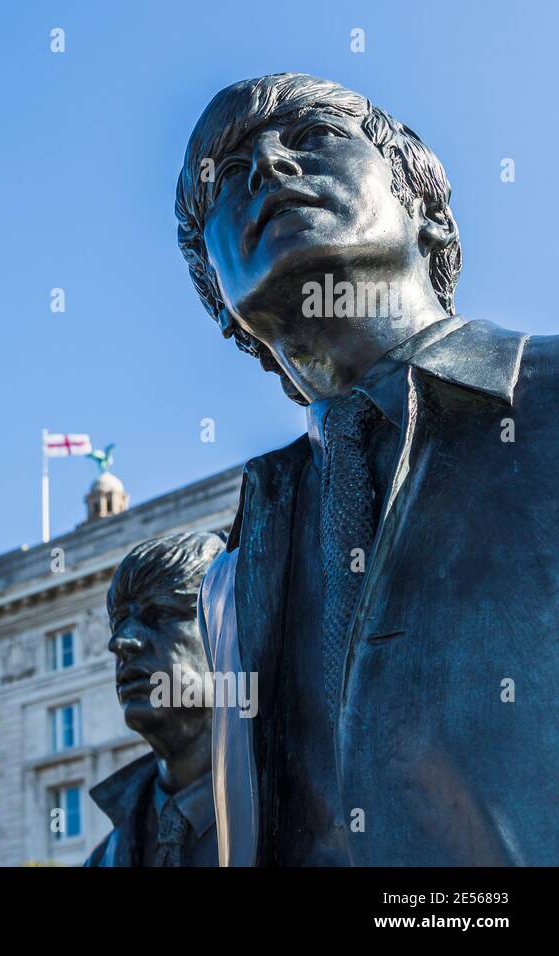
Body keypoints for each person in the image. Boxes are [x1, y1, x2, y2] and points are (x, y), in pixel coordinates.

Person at [176, 72, 559, 865]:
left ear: (429, 209)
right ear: (218, 299)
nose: (273, 167)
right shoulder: (231, 576)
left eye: (313, 137)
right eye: (231, 177)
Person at [85, 533, 223, 867]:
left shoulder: (306, 816)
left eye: (160, 612)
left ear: (227, 630)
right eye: (119, 622)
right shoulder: (103, 859)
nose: (121, 641)